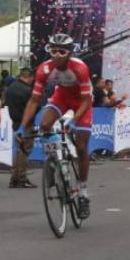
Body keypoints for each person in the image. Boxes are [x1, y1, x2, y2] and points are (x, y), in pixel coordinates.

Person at [15, 34, 93, 219]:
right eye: (53, 50)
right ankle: (54, 160)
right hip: (62, 98)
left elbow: (86, 100)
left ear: (69, 53)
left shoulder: (80, 69)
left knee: (82, 147)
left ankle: (83, 192)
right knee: (44, 125)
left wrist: (74, 121)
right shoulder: (44, 69)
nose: (57, 55)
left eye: (62, 51)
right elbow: (34, 101)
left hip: (82, 102)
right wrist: (22, 126)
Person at [5, 68, 37, 188]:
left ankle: (14, 177)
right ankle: (22, 178)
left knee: (18, 150)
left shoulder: (11, 88)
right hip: (26, 123)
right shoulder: (27, 90)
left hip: (15, 122)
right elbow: (35, 106)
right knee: (24, 150)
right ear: (29, 77)